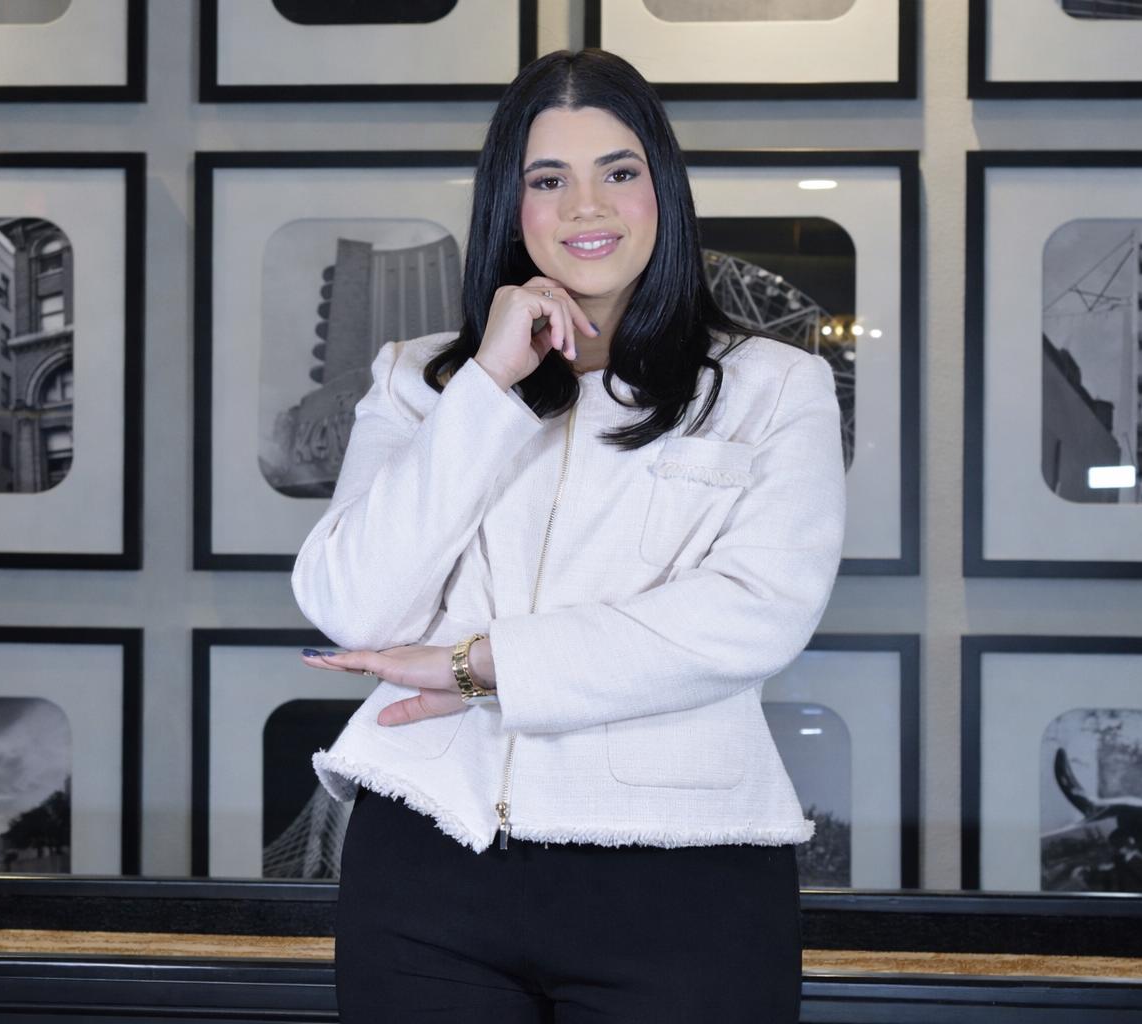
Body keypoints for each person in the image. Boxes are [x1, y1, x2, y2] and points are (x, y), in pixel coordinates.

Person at [292, 47, 845, 1024]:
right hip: (427, 864)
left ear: (662, 187)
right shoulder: (419, 379)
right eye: (549, 179)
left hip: (685, 874)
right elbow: (353, 603)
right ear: (511, 205)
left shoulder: (772, 387)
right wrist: (486, 387)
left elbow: (754, 615)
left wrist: (479, 665)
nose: (587, 207)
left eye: (618, 172)